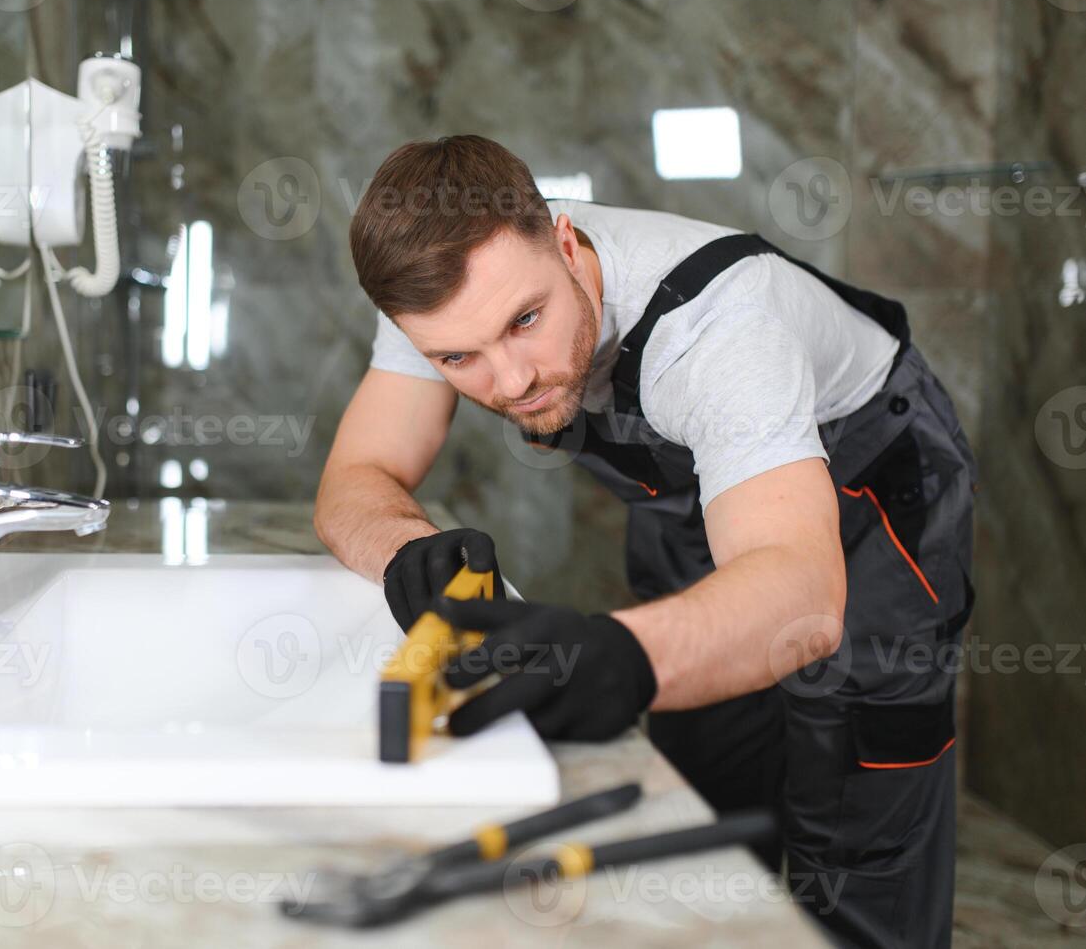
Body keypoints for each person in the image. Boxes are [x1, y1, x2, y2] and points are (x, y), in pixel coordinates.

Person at [314, 135, 976, 948]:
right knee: (701, 791)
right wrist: (404, 549)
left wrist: (621, 654)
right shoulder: (442, 288)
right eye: (459, 358)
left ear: (563, 241)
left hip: (871, 489)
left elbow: (802, 594)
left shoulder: (718, 328)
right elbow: (359, 473)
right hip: (695, 503)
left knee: (853, 806)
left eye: (526, 321)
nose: (510, 380)